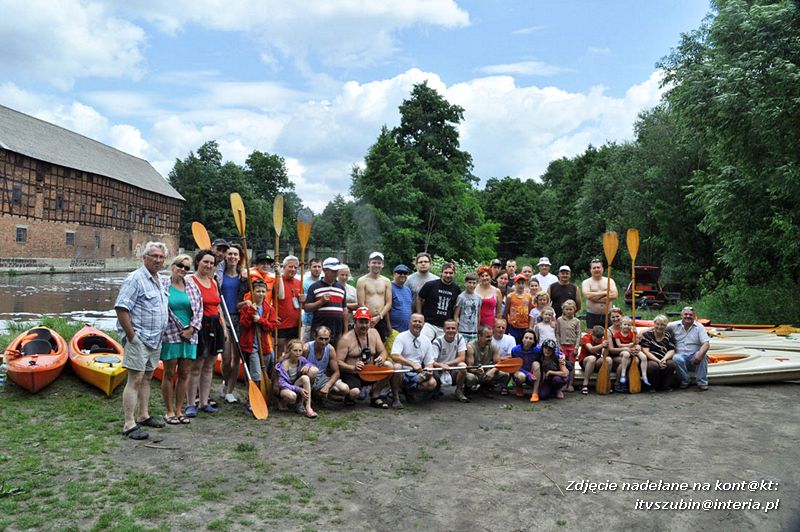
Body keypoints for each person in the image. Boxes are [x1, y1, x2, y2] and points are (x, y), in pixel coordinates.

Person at [115, 242, 170, 440]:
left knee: (147, 377)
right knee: (135, 378)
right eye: (154, 256)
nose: (158, 260)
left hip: (155, 339)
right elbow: (122, 308)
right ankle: (129, 424)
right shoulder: (135, 279)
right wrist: (132, 337)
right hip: (139, 338)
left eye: (161, 257)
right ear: (144, 257)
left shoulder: (160, 280)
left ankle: (144, 415)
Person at [160, 254, 202, 425]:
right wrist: (181, 329)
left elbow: (199, 310)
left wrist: (191, 329)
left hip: (190, 336)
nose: (183, 270)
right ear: (173, 266)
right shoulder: (163, 285)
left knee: (184, 373)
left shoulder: (192, 287)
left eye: (186, 267)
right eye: (180, 265)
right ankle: (169, 410)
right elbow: (163, 308)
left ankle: (179, 409)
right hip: (171, 334)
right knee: (169, 373)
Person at [186, 249, 228, 417]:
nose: (209, 265)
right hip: (199, 326)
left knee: (209, 366)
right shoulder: (190, 280)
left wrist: (224, 328)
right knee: (196, 366)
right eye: (205, 262)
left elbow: (218, 307)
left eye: (211, 263)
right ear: (198, 262)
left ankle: (204, 402)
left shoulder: (214, 282)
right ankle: (191, 403)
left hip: (215, 326)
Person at [337, 307, 394, 408]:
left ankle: (375, 396)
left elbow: (383, 351)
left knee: (389, 366)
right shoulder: (346, 339)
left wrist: (381, 358)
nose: (364, 325)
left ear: (370, 322)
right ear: (355, 321)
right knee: (354, 392)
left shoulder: (374, 333)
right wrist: (353, 367)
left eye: (366, 322)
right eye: (361, 322)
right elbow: (338, 362)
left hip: (370, 370)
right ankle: (348, 398)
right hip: (352, 374)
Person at [238, 279, 278, 397]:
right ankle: (253, 398)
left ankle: (265, 395)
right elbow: (244, 324)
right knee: (255, 374)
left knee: (265, 371)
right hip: (252, 347)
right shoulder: (247, 307)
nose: (261, 294)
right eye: (258, 291)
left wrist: (260, 320)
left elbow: (273, 326)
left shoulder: (269, 309)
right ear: (252, 292)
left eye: (263, 291)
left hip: (265, 346)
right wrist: (251, 312)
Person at [219, 244, 246, 404]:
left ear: (239, 257)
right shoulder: (219, 275)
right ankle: (225, 380)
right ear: (226, 256)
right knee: (226, 358)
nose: (232, 257)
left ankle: (230, 390)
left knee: (237, 359)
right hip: (223, 317)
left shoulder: (243, 276)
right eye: (230, 254)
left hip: (239, 318)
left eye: (235, 254)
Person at [391, 313, 438, 404]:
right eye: (415, 321)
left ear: (423, 324)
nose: (417, 323)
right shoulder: (401, 337)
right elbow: (395, 356)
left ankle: (410, 390)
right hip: (403, 372)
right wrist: (412, 364)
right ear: (409, 323)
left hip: (417, 373)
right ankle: (395, 396)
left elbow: (429, 362)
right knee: (397, 367)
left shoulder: (426, 340)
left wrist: (428, 370)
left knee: (432, 383)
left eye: (420, 322)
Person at [304, 257, 347, 347]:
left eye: (337, 271)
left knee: (335, 354)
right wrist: (321, 302)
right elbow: (307, 307)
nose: (336, 273)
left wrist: (345, 331)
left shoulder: (341, 288)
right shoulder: (315, 287)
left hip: (337, 329)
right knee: (317, 353)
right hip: (319, 329)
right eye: (333, 271)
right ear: (325, 270)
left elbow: (344, 310)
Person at [417, 261, 461, 341]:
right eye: (446, 272)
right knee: (423, 342)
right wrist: (420, 315)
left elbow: (456, 307)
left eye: (451, 273)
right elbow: (419, 298)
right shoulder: (430, 285)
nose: (448, 275)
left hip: (445, 325)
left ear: (454, 274)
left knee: (441, 349)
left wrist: (455, 323)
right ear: (441, 273)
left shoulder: (457, 289)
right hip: (429, 323)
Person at [669, 307, 710, 391]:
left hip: (694, 357)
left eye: (690, 315)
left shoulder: (699, 327)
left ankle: (702, 382)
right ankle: (685, 381)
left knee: (704, 355)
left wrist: (699, 354)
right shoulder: (673, 325)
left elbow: (706, 344)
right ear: (681, 315)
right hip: (680, 357)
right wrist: (643, 332)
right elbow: (659, 327)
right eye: (686, 314)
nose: (688, 316)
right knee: (676, 357)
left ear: (694, 316)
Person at [304, 326, 350, 401]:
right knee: (313, 371)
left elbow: (336, 372)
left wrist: (327, 386)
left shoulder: (330, 349)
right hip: (307, 379)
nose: (323, 342)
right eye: (321, 339)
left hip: (321, 378)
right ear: (315, 337)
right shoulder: (306, 348)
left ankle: (321, 395)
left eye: (326, 339)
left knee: (344, 389)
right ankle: (309, 397)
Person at [275, 339, 318, 418]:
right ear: (289, 351)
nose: (298, 353)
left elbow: (309, 363)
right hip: (285, 388)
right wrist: (298, 389)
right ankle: (282, 401)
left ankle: (308, 408)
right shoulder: (284, 364)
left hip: (294, 385)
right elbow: (282, 383)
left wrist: (307, 366)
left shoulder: (301, 360)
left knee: (305, 378)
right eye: (295, 350)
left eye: (300, 350)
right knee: (292, 396)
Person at [465, 325, 510, 397]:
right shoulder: (470, 346)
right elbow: (469, 367)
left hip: (486, 372)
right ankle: (467, 389)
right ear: (480, 336)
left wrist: (492, 371)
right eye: (487, 337)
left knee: (505, 374)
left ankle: (485, 387)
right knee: (471, 378)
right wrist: (476, 371)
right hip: (474, 372)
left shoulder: (493, 346)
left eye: (491, 336)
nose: (490, 339)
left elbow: (498, 363)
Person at [356, 252, 392, 342]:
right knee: (366, 343)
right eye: (374, 262)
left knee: (381, 343)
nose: (376, 265)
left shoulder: (386, 281)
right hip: (366, 319)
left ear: (382, 265)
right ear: (369, 263)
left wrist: (379, 317)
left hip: (380, 318)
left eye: (379, 263)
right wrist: (369, 318)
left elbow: (388, 303)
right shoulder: (362, 281)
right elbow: (361, 303)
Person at [431, 319, 468, 402]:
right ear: (443, 329)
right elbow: (432, 361)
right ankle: (436, 389)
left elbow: (462, 357)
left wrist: (446, 364)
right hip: (439, 369)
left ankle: (458, 391)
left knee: (463, 365)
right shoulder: (437, 341)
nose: (451, 330)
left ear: (457, 329)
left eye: (453, 328)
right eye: (448, 328)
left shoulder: (459, 338)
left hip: (452, 369)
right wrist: (441, 365)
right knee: (432, 370)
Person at [639, 314, 678, 392]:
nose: (659, 327)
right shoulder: (647, 335)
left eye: (662, 325)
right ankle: (652, 386)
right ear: (654, 324)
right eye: (658, 324)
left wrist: (664, 359)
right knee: (653, 366)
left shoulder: (668, 335)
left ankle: (665, 386)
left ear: (666, 326)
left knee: (671, 364)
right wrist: (658, 361)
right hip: (651, 358)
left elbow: (672, 350)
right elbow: (646, 351)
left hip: (664, 357)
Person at [612, 316, 650, 393]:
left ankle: (644, 375)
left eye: (629, 325)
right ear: (621, 325)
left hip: (632, 349)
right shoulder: (617, 334)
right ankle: (623, 374)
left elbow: (636, 343)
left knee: (643, 357)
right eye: (625, 324)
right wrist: (629, 345)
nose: (627, 326)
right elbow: (619, 345)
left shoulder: (632, 333)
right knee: (626, 354)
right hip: (624, 350)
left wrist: (636, 336)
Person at [276, 255, 303, 356]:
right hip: (281, 324)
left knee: (292, 352)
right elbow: (280, 297)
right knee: (279, 352)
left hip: (295, 324)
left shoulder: (299, 283)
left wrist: (303, 301)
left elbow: (302, 304)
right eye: (290, 267)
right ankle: (277, 371)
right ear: (284, 267)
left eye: (296, 267)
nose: (293, 269)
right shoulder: (278, 279)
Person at [581, 258, 618, 329]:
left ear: (602, 269)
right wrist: (605, 293)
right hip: (592, 315)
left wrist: (594, 298)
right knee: (592, 337)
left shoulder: (609, 280)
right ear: (591, 270)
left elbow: (615, 295)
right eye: (594, 268)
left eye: (598, 267)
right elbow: (587, 295)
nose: (596, 269)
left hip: (608, 314)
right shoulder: (586, 282)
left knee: (609, 336)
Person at [556, 299, 581, 392]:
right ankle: (563, 383)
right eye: (567, 309)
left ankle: (570, 384)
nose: (569, 311)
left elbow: (579, 334)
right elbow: (557, 333)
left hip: (572, 346)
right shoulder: (559, 320)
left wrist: (576, 347)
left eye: (571, 309)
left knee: (572, 365)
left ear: (574, 310)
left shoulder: (577, 321)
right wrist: (558, 346)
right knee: (562, 365)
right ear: (563, 310)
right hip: (562, 346)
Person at [578, 325, 611, 395]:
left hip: (596, 362)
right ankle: (585, 385)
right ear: (592, 334)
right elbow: (591, 349)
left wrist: (606, 347)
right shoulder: (586, 337)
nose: (597, 340)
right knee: (592, 358)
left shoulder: (602, 340)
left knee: (608, 359)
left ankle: (605, 382)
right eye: (596, 338)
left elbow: (605, 354)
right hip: (585, 361)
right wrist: (601, 345)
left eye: (599, 339)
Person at [504, 274, 533, 343]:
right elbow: (506, 312)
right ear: (515, 284)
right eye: (518, 283)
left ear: (525, 284)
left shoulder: (528, 296)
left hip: (524, 326)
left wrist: (529, 326)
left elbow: (529, 312)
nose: (521, 285)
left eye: (522, 283)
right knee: (513, 343)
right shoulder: (510, 296)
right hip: (513, 326)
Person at [453, 272, 482, 343]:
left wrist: (477, 329)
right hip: (462, 329)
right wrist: (456, 328)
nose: (472, 285)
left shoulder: (478, 298)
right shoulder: (461, 297)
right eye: (470, 282)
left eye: (474, 283)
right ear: (465, 283)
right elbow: (456, 315)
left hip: (473, 331)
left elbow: (478, 314)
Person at [510, 329, 538, 397]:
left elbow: (549, 350)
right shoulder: (515, 350)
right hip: (519, 370)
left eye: (531, 338)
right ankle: (519, 386)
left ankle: (535, 390)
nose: (528, 340)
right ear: (522, 339)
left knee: (536, 364)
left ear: (534, 341)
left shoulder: (537, 350)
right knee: (521, 377)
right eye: (526, 337)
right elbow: (516, 365)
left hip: (532, 371)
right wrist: (528, 374)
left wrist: (561, 355)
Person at [301, 258, 323, 342]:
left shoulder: (324, 282)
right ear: (310, 268)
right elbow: (305, 303)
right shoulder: (305, 283)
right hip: (308, 321)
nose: (317, 269)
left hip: (321, 319)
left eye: (319, 266)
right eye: (314, 266)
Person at [390, 264, 413, 334]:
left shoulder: (408, 289)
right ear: (394, 274)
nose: (403, 275)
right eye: (400, 272)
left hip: (407, 330)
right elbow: (386, 310)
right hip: (393, 330)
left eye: (405, 273)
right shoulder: (389, 287)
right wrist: (388, 328)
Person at [337, 264, 359, 329]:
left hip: (350, 322)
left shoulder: (352, 289)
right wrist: (350, 306)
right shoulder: (333, 288)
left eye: (346, 275)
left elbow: (358, 305)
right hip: (337, 321)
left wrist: (344, 305)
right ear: (337, 274)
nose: (344, 277)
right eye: (342, 275)